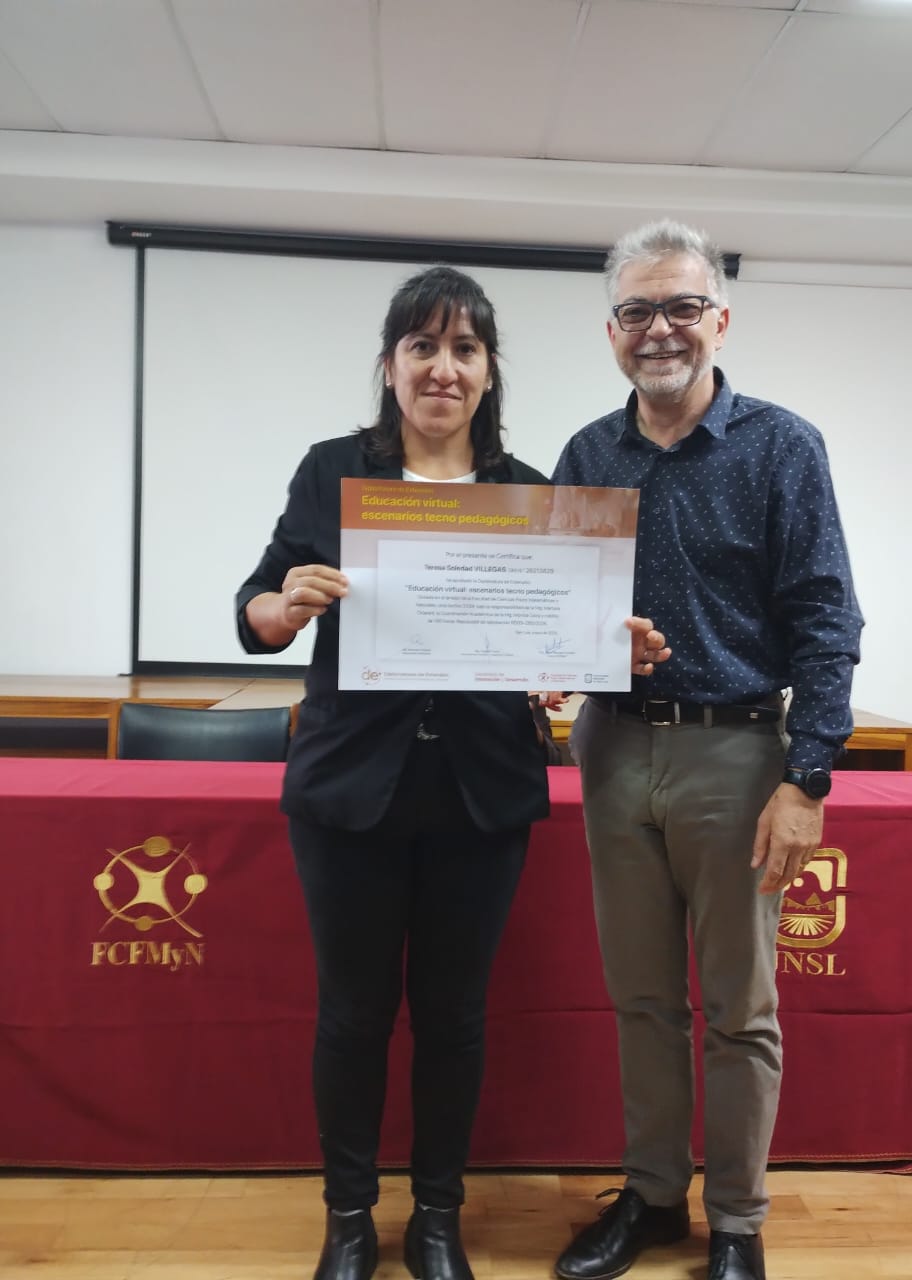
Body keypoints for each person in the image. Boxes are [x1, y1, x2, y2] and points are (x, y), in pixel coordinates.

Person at [235, 264, 667, 1280]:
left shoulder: (530, 489)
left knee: (455, 1016)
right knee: (352, 1014)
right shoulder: (332, 470)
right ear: (390, 366)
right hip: (350, 788)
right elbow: (256, 607)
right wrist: (284, 604)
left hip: (481, 789)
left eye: (464, 348)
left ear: (487, 370)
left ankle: (437, 1215)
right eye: (422, 346)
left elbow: (561, 644)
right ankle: (349, 1216)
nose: (443, 367)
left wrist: (608, 650)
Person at [551, 222, 863, 1280]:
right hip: (611, 748)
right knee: (642, 999)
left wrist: (806, 777)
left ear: (719, 320)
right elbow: (561, 607)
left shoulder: (782, 446)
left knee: (738, 1006)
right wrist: (554, 653)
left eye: (681, 306)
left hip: (736, 755)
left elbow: (825, 617)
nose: (660, 329)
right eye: (637, 310)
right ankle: (651, 1199)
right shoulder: (588, 455)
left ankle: (735, 1219)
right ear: (611, 331)